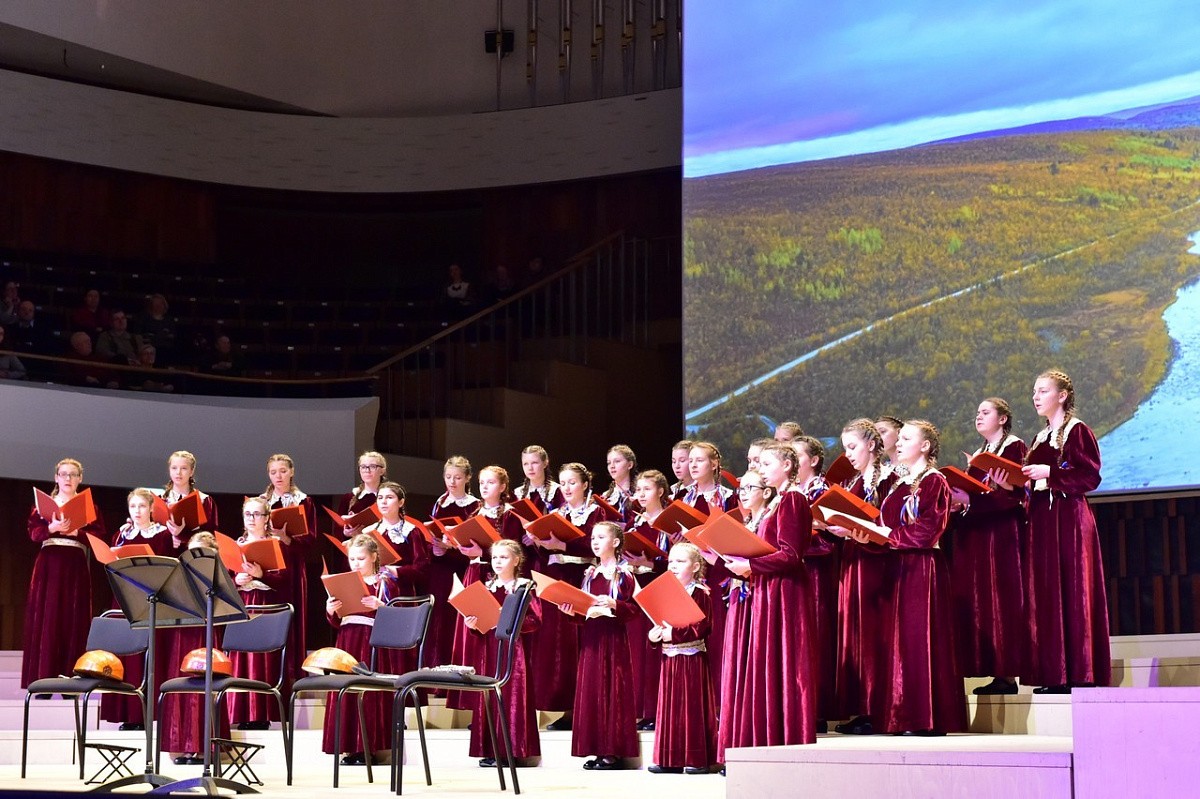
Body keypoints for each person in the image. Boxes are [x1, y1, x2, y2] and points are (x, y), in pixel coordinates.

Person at [871, 420, 966, 735]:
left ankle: (925, 717)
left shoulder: (934, 481)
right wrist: (865, 533)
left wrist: (888, 536)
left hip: (921, 567)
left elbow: (928, 530)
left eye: (906, 438)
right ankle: (899, 714)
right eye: (898, 438)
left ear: (925, 446)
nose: (898, 443)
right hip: (897, 566)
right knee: (899, 641)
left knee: (919, 639)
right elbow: (884, 523)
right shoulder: (898, 483)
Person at [723, 442, 818, 749]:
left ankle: (782, 737)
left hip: (784, 592)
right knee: (765, 662)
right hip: (768, 589)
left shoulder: (793, 499)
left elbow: (791, 554)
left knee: (782, 661)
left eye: (766, 464)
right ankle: (759, 736)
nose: (760, 470)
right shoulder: (777, 501)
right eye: (759, 464)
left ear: (787, 466)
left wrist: (750, 565)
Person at [1020, 370, 1110, 693]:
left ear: (1062, 395)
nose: (1036, 396)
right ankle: (1054, 673)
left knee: (1073, 590)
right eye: (1034, 391)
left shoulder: (1077, 431)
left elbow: (1090, 476)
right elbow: (1033, 484)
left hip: (1069, 518)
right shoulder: (1039, 437)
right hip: (1043, 521)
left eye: (1043, 390)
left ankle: (1079, 672)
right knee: (1048, 593)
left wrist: (1050, 472)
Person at [949, 398, 1029, 695]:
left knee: (1001, 599)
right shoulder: (982, 453)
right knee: (983, 600)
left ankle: (1006, 672)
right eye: (977, 412)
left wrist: (972, 500)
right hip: (980, 533)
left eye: (985, 412)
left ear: (1003, 418)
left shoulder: (1014, 447)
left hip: (1002, 534)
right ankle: (994, 668)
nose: (978, 416)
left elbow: (1017, 495)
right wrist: (960, 502)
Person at [525, 462, 606, 730]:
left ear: (585, 484)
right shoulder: (556, 514)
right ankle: (565, 707)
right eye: (563, 483)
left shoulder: (596, 512)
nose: (567, 488)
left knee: (580, 642)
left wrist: (563, 545)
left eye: (572, 482)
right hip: (556, 579)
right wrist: (538, 542)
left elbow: (596, 545)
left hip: (580, 578)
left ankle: (584, 708)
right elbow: (546, 552)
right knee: (557, 646)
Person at [832, 418, 896, 735]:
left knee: (876, 634)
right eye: (845, 448)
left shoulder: (890, 479)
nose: (848, 454)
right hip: (854, 560)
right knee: (856, 634)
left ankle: (879, 708)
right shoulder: (853, 483)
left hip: (878, 564)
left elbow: (890, 523)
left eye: (853, 447)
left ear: (871, 445)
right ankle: (862, 706)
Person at [21, 458, 107, 689]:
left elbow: (99, 538)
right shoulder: (42, 506)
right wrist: (52, 528)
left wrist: (77, 532)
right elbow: (33, 533)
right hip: (49, 563)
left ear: (80, 478)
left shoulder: (89, 507)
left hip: (75, 564)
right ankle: (43, 680)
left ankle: (71, 682)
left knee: (73, 617)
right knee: (47, 616)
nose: (68, 478)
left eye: (73, 474)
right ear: (56, 478)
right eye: (64, 474)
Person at [446, 466, 526, 712]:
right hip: (474, 573)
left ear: (502, 487)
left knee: (490, 635)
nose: (484, 487)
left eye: (490, 482)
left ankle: (491, 706)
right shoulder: (475, 513)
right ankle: (475, 705)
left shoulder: (511, 516)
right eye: (482, 483)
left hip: (495, 575)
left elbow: (513, 550)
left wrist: (483, 553)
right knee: (472, 632)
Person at [561, 521, 638, 770]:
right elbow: (583, 611)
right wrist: (571, 610)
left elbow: (636, 610)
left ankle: (612, 751)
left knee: (611, 689)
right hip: (591, 639)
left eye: (601, 537)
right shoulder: (590, 574)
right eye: (593, 538)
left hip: (613, 639)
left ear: (615, 542)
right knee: (593, 689)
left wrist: (615, 605)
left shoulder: (624, 575)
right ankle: (595, 747)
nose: (595, 542)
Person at [463, 539, 542, 767]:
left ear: (516, 560)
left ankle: (512, 751)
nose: (498, 562)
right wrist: (473, 624)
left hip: (512, 651)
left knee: (511, 697)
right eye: (495, 557)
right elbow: (480, 626)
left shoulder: (524, 587)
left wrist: (507, 620)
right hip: (488, 650)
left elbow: (535, 621)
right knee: (489, 695)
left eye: (504, 557)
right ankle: (491, 750)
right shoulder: (487, 588)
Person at [102, 487, 174, 729]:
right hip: (126, 598)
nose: (137, 511)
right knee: (127, 655)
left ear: (152, 508)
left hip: (152, 599)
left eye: (142, 506)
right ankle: (129, 714)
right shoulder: (121, 535)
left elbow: (170, 568)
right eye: (133, 506)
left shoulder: (162, 535)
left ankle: (148, 714)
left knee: (150, 655)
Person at [323, 534, 399, 765]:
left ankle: (367, 748)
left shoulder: (383, 583)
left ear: (374, 557)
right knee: (346, 691)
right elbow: (336, 621)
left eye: (361, 558)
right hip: (347, 640)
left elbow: (397, 618)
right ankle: (348, 747)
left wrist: (380, 606)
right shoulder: (344, 582)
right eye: (352, 559)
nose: (355, 563)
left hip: (369, 640)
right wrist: (331, 610)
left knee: (367, 692)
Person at [161, 531, 232, 765]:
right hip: (182, 633)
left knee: (203, 686)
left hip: (205, 633)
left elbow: (227, 608)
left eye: (199, 553)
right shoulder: (179, 576)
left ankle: (204, 747)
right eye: (190, 553)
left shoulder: (220, 577)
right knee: (183, 686)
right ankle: (182, 747)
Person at [648, 542, 718, 775]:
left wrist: (675, 634)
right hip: (669, 658)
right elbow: (659, 621)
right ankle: (669, 758)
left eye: (680, 561)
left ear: (695, 567)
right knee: (669, 709)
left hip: (691, 658)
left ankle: (696, 758)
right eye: (671, 562)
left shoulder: (700, 593)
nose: (674, 566)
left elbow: (704, 626)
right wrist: (654, 635)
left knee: (691, 707)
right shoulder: (665, 593)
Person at [716, 469, 771, 764]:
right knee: (736, 668)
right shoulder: (745, 523)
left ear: (766, 491)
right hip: (740, 598)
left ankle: (751, 741)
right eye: (741, 488)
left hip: (758, 598)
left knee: (752, 667)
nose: (744, 493)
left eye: (751, 488)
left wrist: (749, 566)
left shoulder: (769, 520)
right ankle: (734, 743)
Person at [228, 496, 290, 729]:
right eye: (248, 514)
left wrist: (262, 575)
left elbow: (287, 580)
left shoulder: (277, 544)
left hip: (266, 604)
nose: (252, 519)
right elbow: (224, 578)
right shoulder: (236, 544)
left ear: (266, 518)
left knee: (263, 659)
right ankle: (240, 713)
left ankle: (260, 714)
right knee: (241, 658)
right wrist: (236, 580)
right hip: (243, 603)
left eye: (257, 514)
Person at [261, 453, 317, 700]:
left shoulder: (303, 501)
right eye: (273, 472)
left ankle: (291, 672)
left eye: (283, 471)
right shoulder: (263, 502)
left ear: (291, 472)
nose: (278, 476)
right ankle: (267, 669)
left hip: (292, 566)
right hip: (267, 565)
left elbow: (311, 539)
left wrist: (287, 539)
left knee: (291, 616)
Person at [364, 482, 431, 676]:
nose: (384, 502)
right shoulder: (369, 532)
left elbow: (422, 568)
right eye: (380, 498)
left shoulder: (412, 531)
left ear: (401, 502)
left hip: (401, 595)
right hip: (374, 591)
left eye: (389, 497)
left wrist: (396, 571)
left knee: (399, 645)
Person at [794, 435, 838, 729]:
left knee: (815, 637)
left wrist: (797, 538)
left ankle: (816, 709)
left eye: (797, 456)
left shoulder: (822, 492)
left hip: (816, 576)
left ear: (813, 460)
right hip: (795, 571)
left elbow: (827, 543)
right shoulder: (789, 493)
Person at [426, 456, 480, 670]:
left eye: (457, 477)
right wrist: (436, 547)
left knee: (454, 618)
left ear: (467, 478)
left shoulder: (474, 505)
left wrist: (453, 546)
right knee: (436, 618)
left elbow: (474, 541)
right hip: (440, 569)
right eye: (448, 477)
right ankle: (434, 671)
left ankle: (456, 669)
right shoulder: (440, 502)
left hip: (461, 567)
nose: (452, 482)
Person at [336, 451, 389, 539]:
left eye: (372, 466)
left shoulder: (390, 497)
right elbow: (338, 530)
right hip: (355, 545)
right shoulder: (349, 498)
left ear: (382, 471)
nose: (367, 471)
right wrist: (346, 533)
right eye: (363, 467)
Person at [513, 444, 564, 513]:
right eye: (525, 464)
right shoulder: (518, 494)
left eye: (534, 463)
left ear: (545, 463)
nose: (530, 468)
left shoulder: (556, 491)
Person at [133, 293, 177, 366]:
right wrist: (161, 335)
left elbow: (172, 336)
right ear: (151, 305)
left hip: (165, 349)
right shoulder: (144, 318)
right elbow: (138, 334)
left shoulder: (169, 320)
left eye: (160, 303)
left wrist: (154, 336)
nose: (158, 306)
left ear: (164, 305)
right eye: (155, 304)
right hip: (148, 347)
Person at [602, 444, 638, 522]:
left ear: (630, 465)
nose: (612, 466)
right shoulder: (606, 497)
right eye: (609, 463)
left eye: (617, 461)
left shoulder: (639, 494)